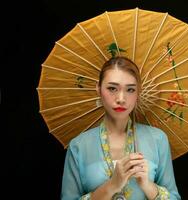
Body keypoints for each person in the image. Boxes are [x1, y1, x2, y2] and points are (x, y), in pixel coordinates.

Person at [61, 56, 181, 200]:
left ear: (138, 93)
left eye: (130, 89)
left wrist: (147, 185)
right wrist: (112, 185)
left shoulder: (157, 139)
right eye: (112, 88)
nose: (121, 98)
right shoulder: (78, 146)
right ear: (98, 89)